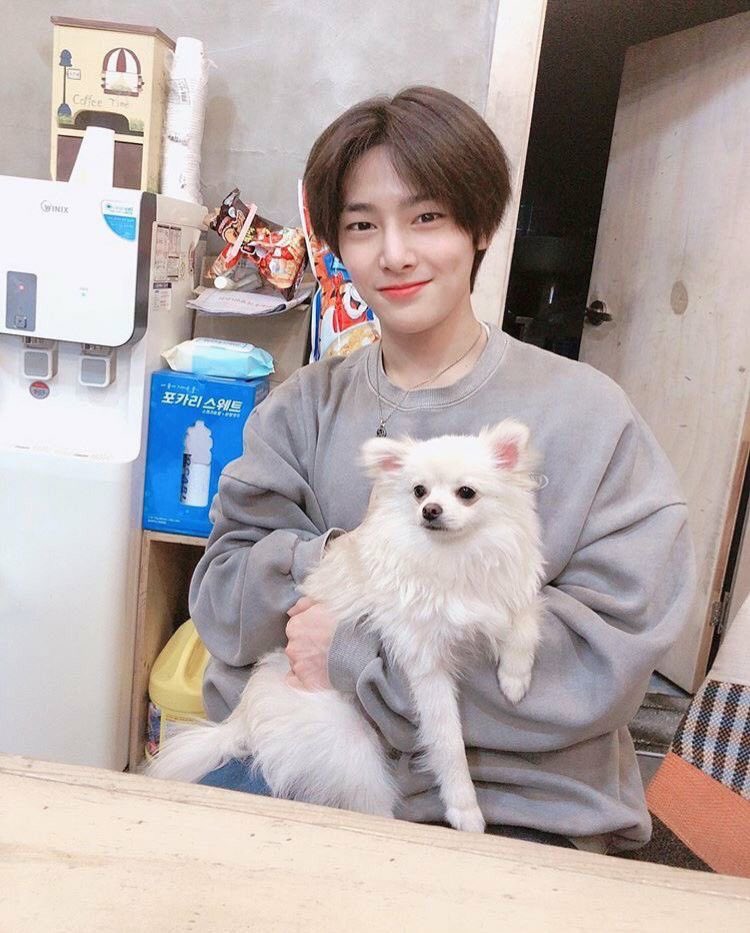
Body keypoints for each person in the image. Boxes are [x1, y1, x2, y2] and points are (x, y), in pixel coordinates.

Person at [189, 86, 696, 853]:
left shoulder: (589, 415)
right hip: (306, 760)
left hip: (522, 796)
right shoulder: (302, 409)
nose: (394, 253)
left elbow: (607, 658)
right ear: (336, 245)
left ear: (481, 226)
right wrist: (336, 557)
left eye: (426, 217)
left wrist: (354, 649)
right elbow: (223, 601)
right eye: (363, 225)